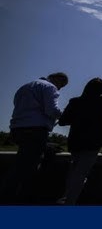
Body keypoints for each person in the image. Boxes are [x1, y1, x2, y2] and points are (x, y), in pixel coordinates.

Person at [1, 72, 68, 203]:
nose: (60, 88)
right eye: (62, 85)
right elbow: (51, 110)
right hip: (35, 131)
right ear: (57, 79)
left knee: (22, 164)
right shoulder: (50, 87)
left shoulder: (25, 87)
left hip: (17, 130)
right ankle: (13, 200)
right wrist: (66, 115)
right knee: (26, 170)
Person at [56, 78, 102, 205]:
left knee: (74, 170)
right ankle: (69, 201)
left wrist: (77, 119)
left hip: (76, 140)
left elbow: (63, 121)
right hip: (93, 141)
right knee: (81, 173)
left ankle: (65, 197)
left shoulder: (75, 101)